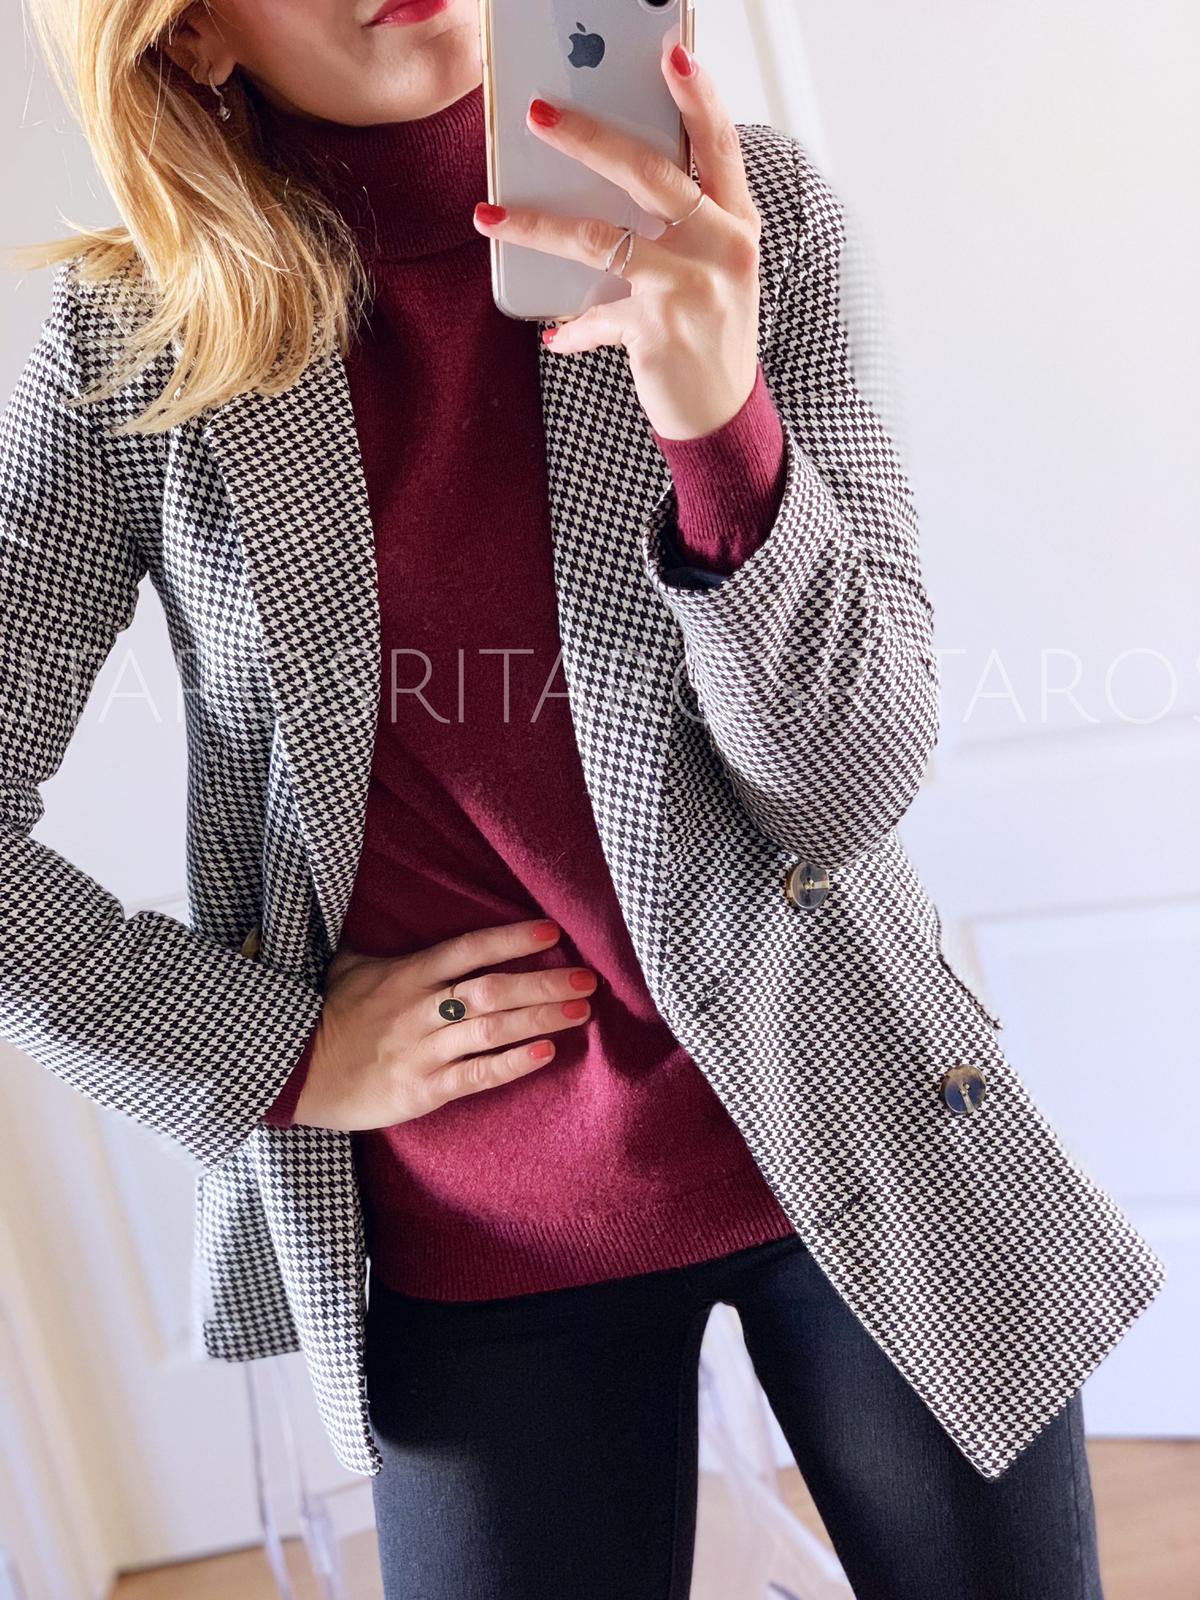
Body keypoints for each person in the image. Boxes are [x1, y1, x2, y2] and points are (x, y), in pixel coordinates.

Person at [1, 1, 1165, 1595]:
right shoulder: (136, 341)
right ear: (191, 35)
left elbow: (850, 787)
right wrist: (276, 1052)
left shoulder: (743, 215)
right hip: (476, 1230)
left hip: (864, 1122)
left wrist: (718, 421)